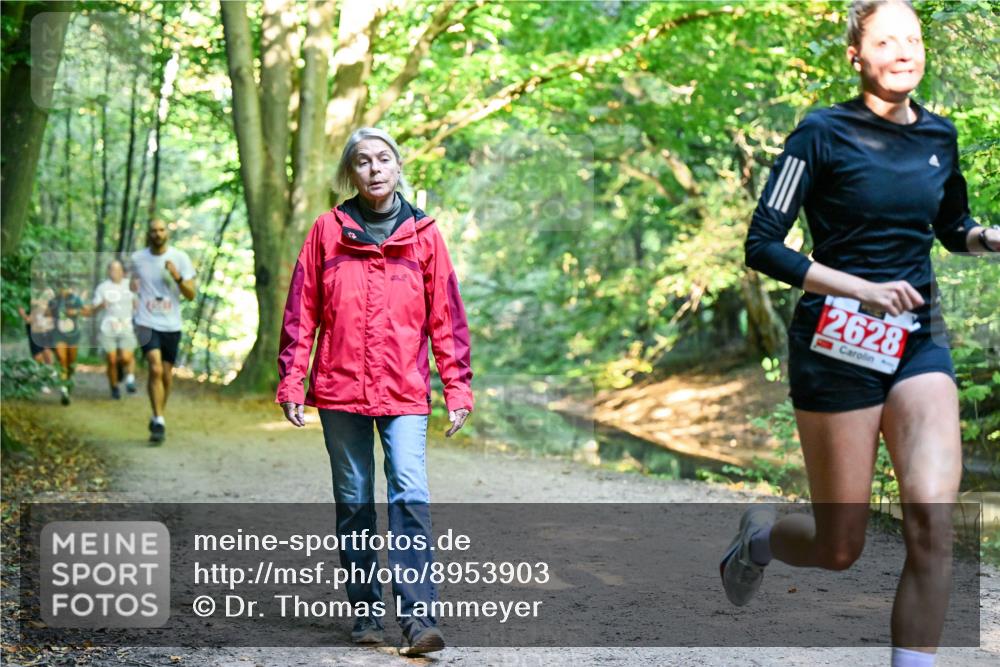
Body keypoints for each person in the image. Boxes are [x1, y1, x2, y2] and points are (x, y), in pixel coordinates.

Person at [725, 2, 1000, 666]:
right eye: (886, 41)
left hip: (916, 340)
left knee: (933, 524)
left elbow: (951, 225)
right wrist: (858, 288)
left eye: (914, 39)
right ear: (856, 55)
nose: (904, 51)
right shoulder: (819, 134)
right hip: (836, 343)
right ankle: (758, 540)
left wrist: (985, 237)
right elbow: (762, 244)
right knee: (839, 546)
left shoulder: (939, 135)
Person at [276, 127, 474, 656]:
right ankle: (366, 613)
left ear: (398, 166)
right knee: (355, 500)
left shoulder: (424, 235)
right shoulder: (327, 231)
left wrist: (456, 387)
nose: (374, 168)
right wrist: (292, 379)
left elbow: (446, 318)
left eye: (383, 159)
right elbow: (302, 311)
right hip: (339, 389)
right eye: (362, 161)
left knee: (409, 492)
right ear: (351, 173)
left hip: (404, 389)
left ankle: (418, 621)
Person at [131, 220, 196, 443]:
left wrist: (177, 276)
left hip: (171, 324)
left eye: (161, 230)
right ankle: (159, 419)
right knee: (155, 368)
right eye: (153, 230)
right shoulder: (137, 259)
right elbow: (130, 286)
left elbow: (191, 295)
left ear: (167, 233)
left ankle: (157, 415)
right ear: (148, 234)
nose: (157, 234)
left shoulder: (180, 258)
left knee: (166, 375)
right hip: (145, 321)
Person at [87, 259, 139, 399]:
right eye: (112, 269)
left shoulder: (130, 285)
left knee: (126, 358)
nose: (114, 272)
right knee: (111, 359)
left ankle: (126, 374)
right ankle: (114, 387)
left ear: (122, 271)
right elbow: (93, 309)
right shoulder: (102, 287)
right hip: (108, 328)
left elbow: (137, 303)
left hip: (126, 326)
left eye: (117, 269)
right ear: (108, 271)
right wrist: (100, 305)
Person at [48, 283, 84, 406]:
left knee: (71, 362)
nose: (63, 290)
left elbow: (84, 311)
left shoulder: (76, 300)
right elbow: (48, 315)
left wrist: (75, 312)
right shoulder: (54, 301)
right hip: (58, 334)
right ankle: (64, 391)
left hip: (73, 334)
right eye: (61, 287)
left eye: (66, 287)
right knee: (62, 359)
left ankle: (69, 381)